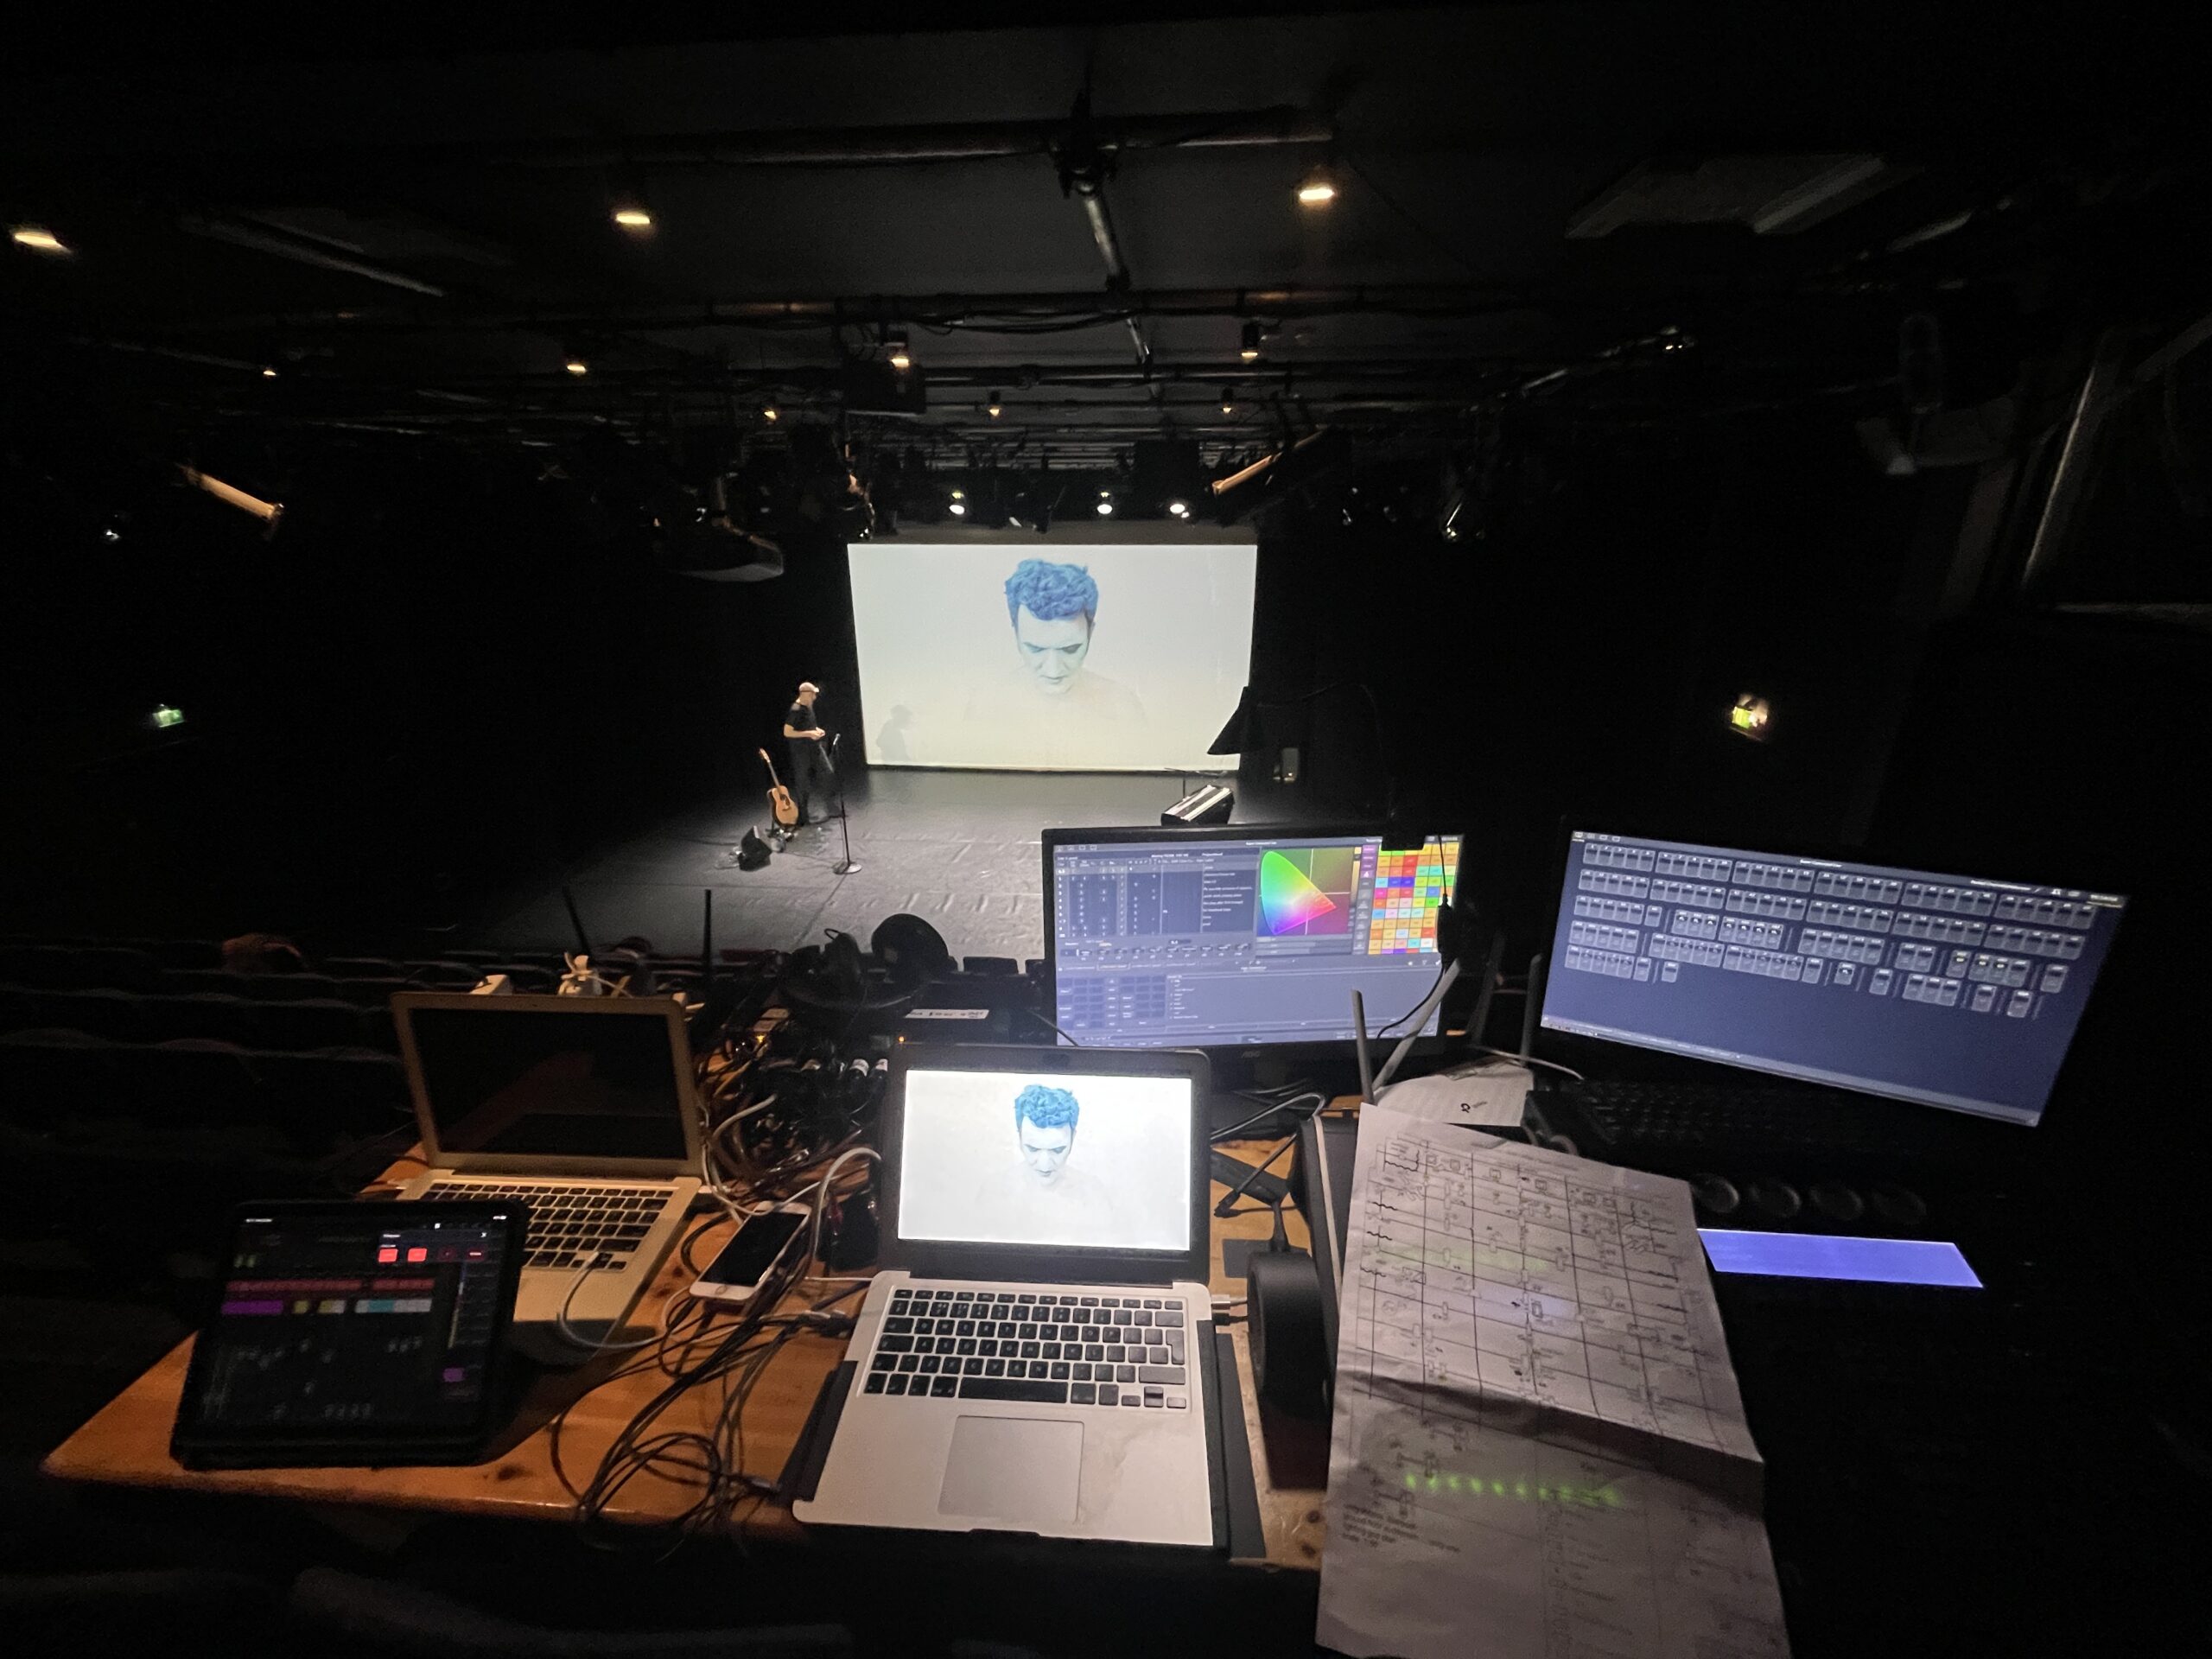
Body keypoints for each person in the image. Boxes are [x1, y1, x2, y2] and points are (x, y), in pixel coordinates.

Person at [953, 558, 1148, 766]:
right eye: (1036, 649)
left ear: (1090, 633)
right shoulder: (985, 706)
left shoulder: (1122, 707)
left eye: (1070, 649)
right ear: (1016, 633)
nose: (1053, 670)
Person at [974, 1083, 1117, 1242]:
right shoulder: (994, 1192)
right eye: (1033, 1149)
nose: (1045, 1165)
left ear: (1073, 1138)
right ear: (1019, 1137)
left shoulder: (1094, 1195)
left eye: (1057, 1150)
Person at [781, 680, 836, 827]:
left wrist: (816, 730)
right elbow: (787, 732)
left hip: (814, 748)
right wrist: (809, 734)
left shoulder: (808, 707)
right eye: (813, 695)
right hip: (801, 752)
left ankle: (830, 806)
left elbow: (808, 725)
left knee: (828, 772)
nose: (815, 698)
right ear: (805, 694)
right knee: (803, 783)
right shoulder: (796, 710)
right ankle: (803, 816)